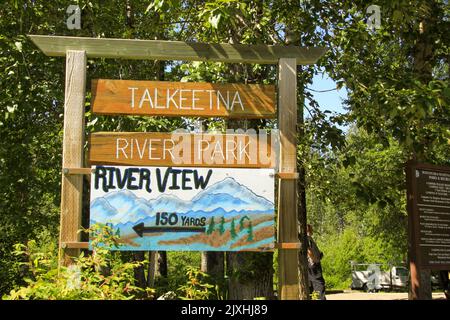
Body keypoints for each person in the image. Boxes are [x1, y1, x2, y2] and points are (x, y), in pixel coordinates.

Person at [306, 224, 326, 300]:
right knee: (319, 286)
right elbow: (309, 251)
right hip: (313, 267)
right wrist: (315, 260)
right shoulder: (307, 239)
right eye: (310, 229)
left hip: (311, 267)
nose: (312, 230)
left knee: (312, 288)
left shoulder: (309, 239)